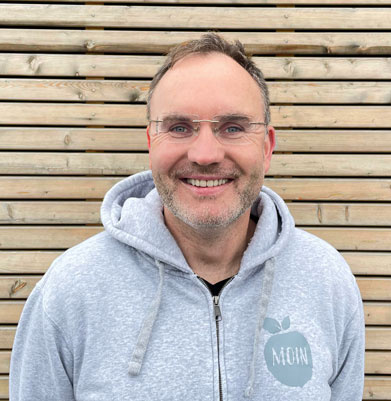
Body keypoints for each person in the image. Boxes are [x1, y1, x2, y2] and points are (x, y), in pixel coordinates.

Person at [10, 33, 365, 400]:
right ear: (151, 143)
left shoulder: (326, 281)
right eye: (179, 127)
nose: (205, 154)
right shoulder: (70, 291)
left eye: (233, 127)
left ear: (267, 147)